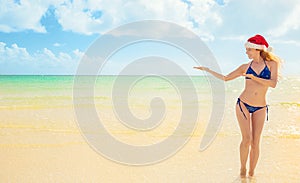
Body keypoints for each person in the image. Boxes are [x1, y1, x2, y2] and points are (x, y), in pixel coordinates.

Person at [194, 34, 281, 177]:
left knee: (256, 142)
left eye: (248, 50)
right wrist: (208, 70)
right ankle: (242, 169)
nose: (246, 53)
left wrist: (254, 78)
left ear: (257, 49)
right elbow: (225, 78)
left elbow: (273, 84)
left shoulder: (272, 65)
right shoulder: (245, 67)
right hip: (243, 104)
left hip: (261, 107)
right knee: (246, 139)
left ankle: (252, 173)